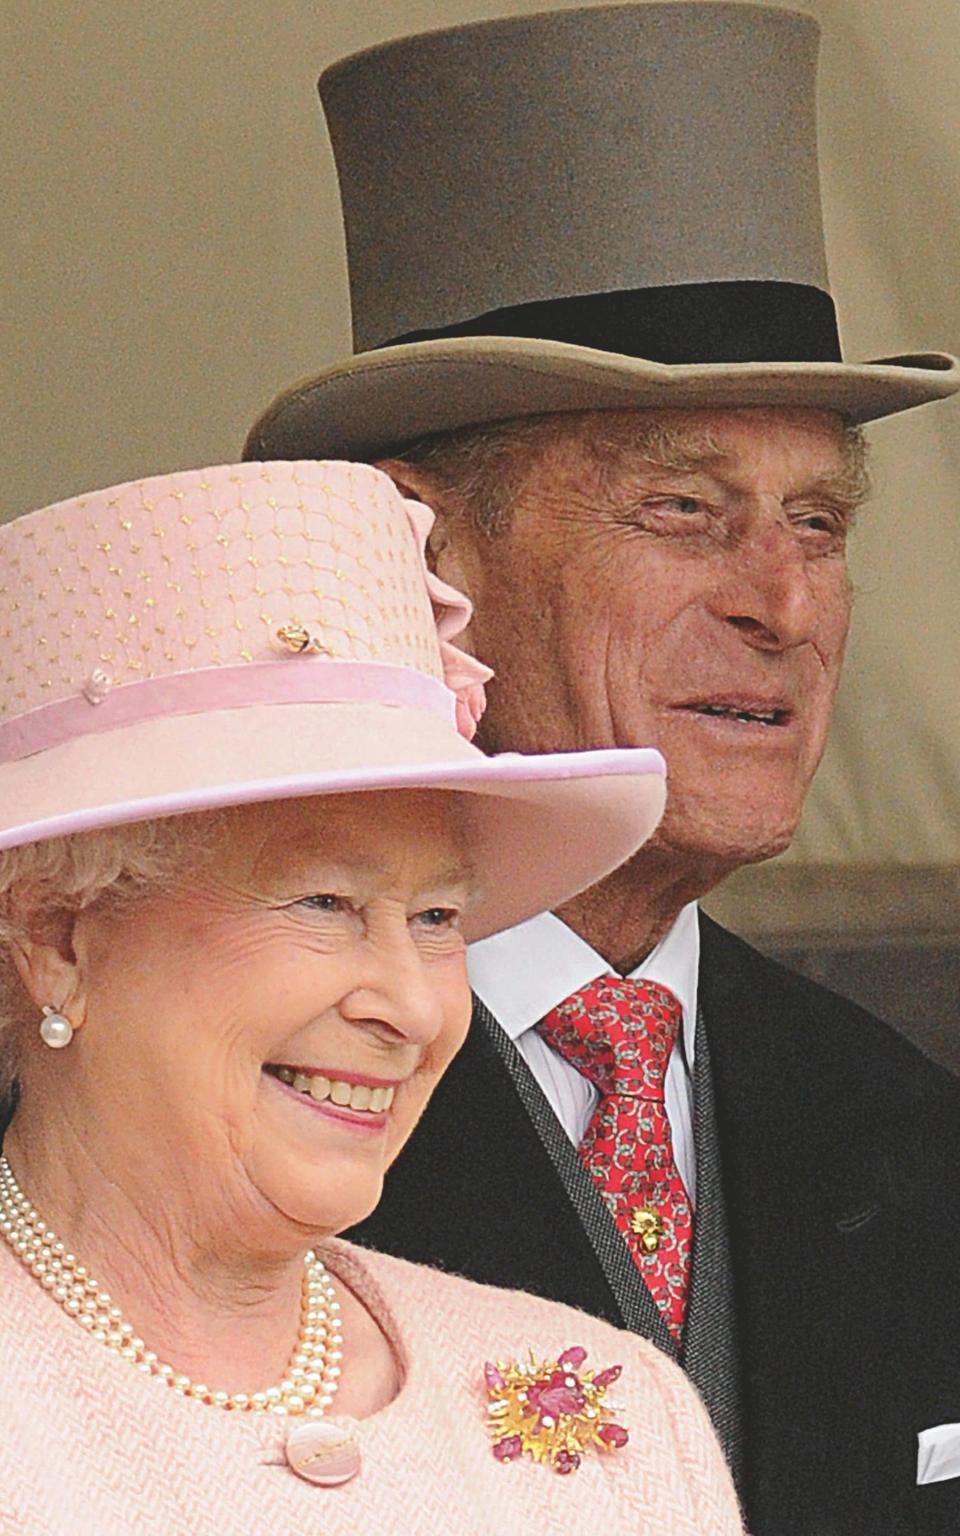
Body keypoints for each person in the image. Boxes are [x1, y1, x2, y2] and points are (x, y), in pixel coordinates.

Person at [243, 6, 960, 1534]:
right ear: (420, 552)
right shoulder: (191, 1111)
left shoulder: (902, 1118)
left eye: (819, 522)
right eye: (686, 509)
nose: (783, 603)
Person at [0, 459, 744, 1534]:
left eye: (437, 919)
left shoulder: (616, 1412)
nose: (413, 1004)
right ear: (61, 940)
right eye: (323, 901)